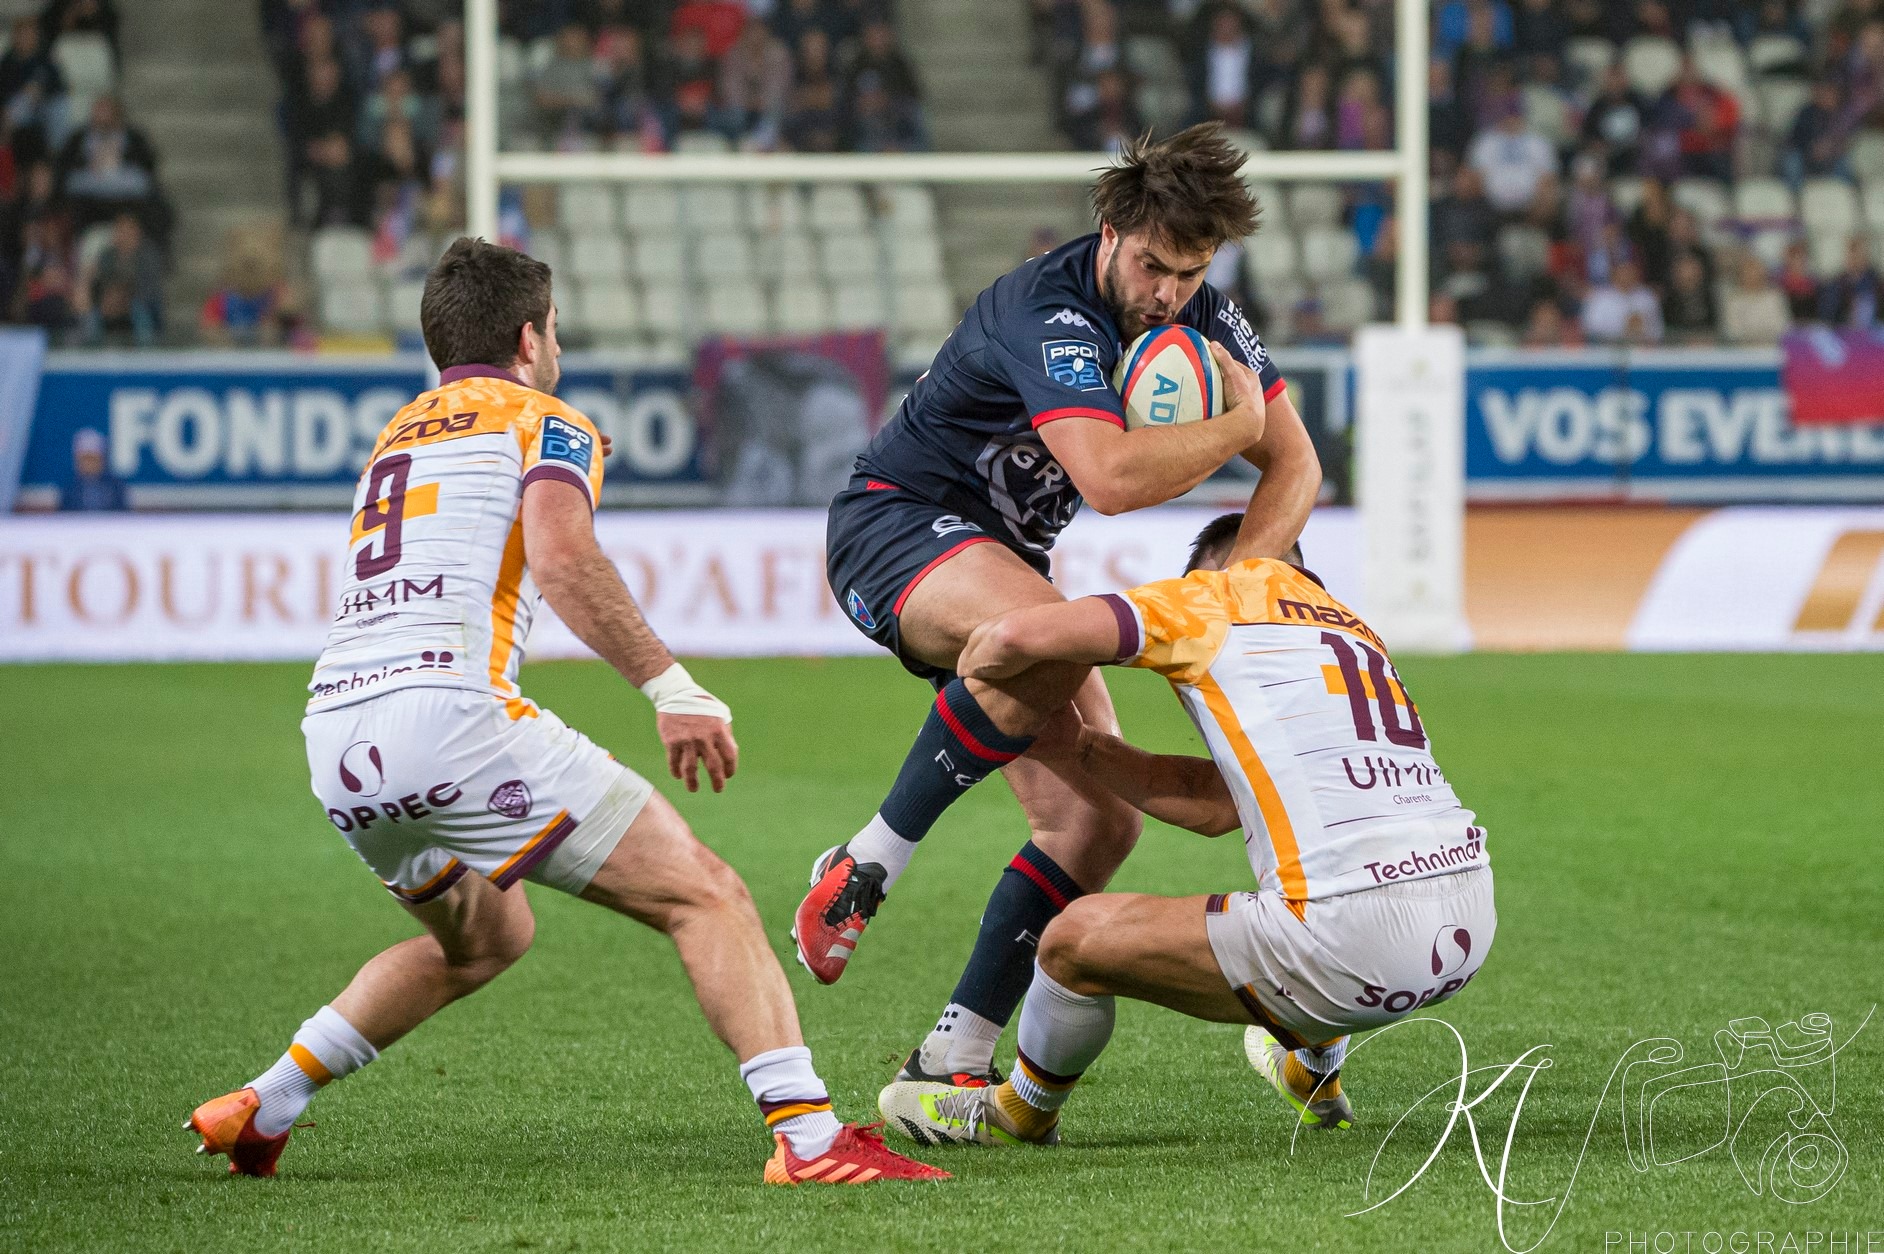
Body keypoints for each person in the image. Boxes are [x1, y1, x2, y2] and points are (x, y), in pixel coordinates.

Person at [185, 238, 945, 1188]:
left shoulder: (399, 432)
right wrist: (672, 687)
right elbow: (564, 559)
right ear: (528, 334)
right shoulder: (547, 419)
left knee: (485, 940)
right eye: (555, 332)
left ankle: (266, 1100)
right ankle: (812, 1139)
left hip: (337, 736)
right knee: (705, 894)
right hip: (453, 718)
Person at [797, 124, 1322, 1090]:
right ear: (1110, 226)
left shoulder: (1208, 315)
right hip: (896, 525)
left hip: (1001, 556)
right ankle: (866, 861)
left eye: (1192, 272)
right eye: (1157, 265)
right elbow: (1112, 478)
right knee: (1051, 644)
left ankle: (951, 1058)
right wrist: (1236, 424)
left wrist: (1240, 594)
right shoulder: (1049, 307)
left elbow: (1301, 467)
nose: (1170, 293)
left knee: (1097, 820)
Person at [876, 514, 1494, 1146]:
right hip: (1468, 924)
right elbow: (1219, 803)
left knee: (1069, 944)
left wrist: (967, 678)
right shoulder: (1353, 631)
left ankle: (1017, 1115)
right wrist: (1085, 748)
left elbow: (1013, 635)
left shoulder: (1213, 597)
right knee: (1302, 876)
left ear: (1216, 571)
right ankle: (1314, 1073)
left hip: (1352, 937)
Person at [59, 427, 126, 511]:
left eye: (93, 459)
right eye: (85, 459)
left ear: (102, 459)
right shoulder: (70, 489)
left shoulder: (115, 488)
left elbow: (124, 517)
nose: (89, 464)